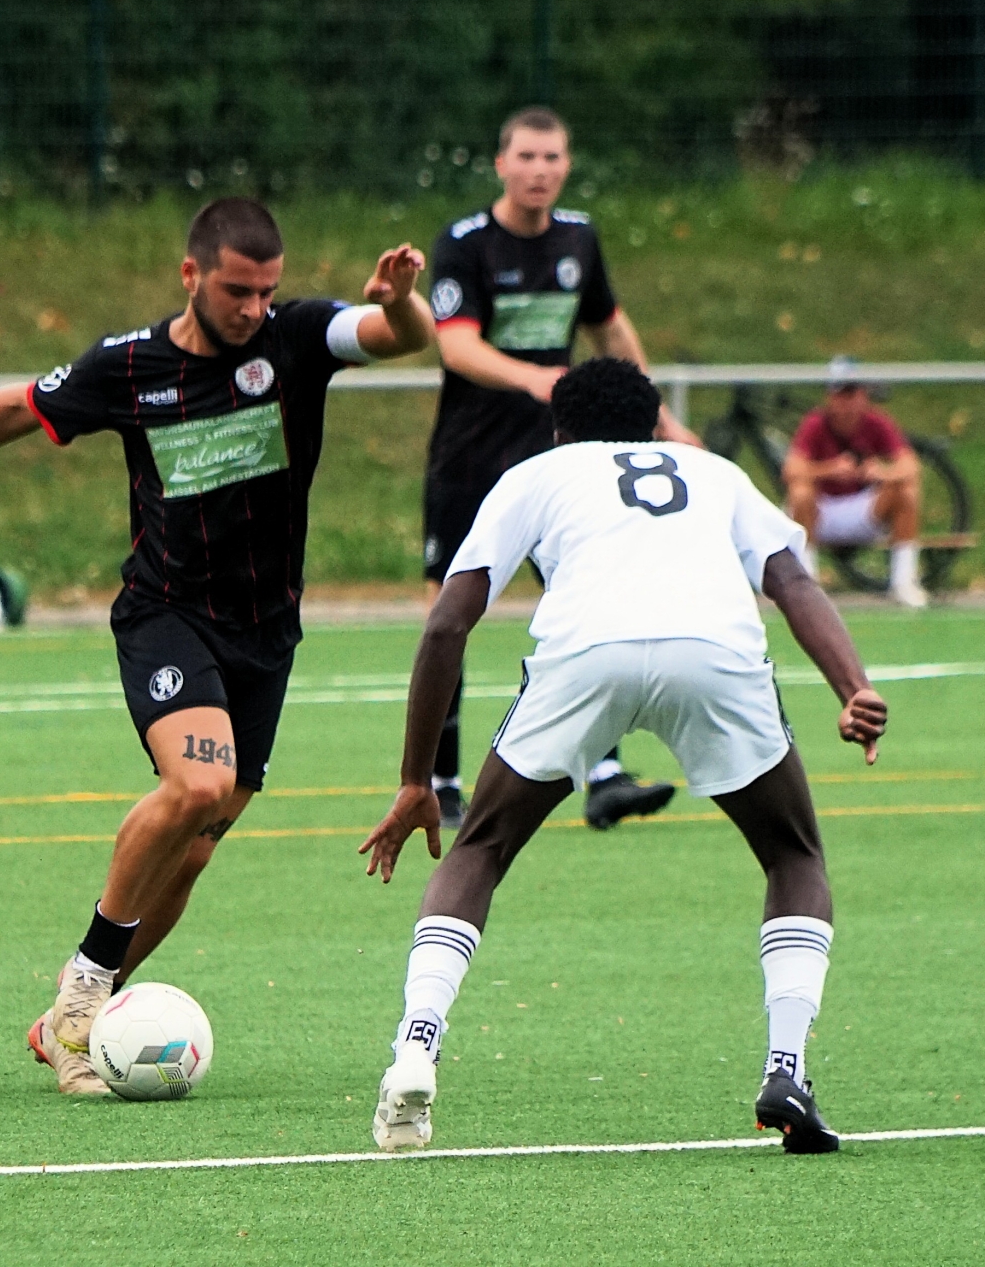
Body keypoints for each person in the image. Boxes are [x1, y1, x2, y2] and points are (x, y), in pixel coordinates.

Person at [0, 198, 436, 1094]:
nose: (253, 308)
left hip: (267, 631)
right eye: (236, 291)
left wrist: (402, 299)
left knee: (195, 848)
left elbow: (397, 336)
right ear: (191, 275)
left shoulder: (297, 336)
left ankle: (71, 1019)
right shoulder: (131, 365)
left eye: (266, 291)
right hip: (166, 613)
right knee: (200, 782)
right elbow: (20, 408)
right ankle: (83, 994)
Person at [359, 358, 888, 1155]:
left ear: (559, 430)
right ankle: (787, 1066)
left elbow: (446, 624)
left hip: (587, 652)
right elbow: (793, 582)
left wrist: (416, 779)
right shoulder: (713, 471)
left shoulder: (536, 474)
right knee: (793, 853)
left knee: (482, 846)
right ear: (654, 424)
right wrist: (854, 687)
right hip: (713, 651)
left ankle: (416, 1045)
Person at [423, 106, 696, 831]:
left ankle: (603, 774)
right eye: (526, 157)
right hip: (471, 456)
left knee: (586, 601)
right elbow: (456, 346)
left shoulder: (579, 237)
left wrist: (662, 419)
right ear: (501, 165)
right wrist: (536, 378)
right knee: (452, 612)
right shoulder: (464, 243)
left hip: (564, 459)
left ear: (567, 165)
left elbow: (610, 326)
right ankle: (440, 782)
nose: (539, 170)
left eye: (552, 157)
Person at [783, 356, 927, 608]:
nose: (846, 403)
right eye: (839, 394)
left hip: (863, 509)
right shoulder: (815, 424)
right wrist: (829, 470)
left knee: (906, 491)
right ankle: (808, 584)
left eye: (851, 393)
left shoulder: (877, 422)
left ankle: (903, 582)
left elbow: (910, 467)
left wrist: (882, 472)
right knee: (800, 492)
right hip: (823, 511)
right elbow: (791, 469)